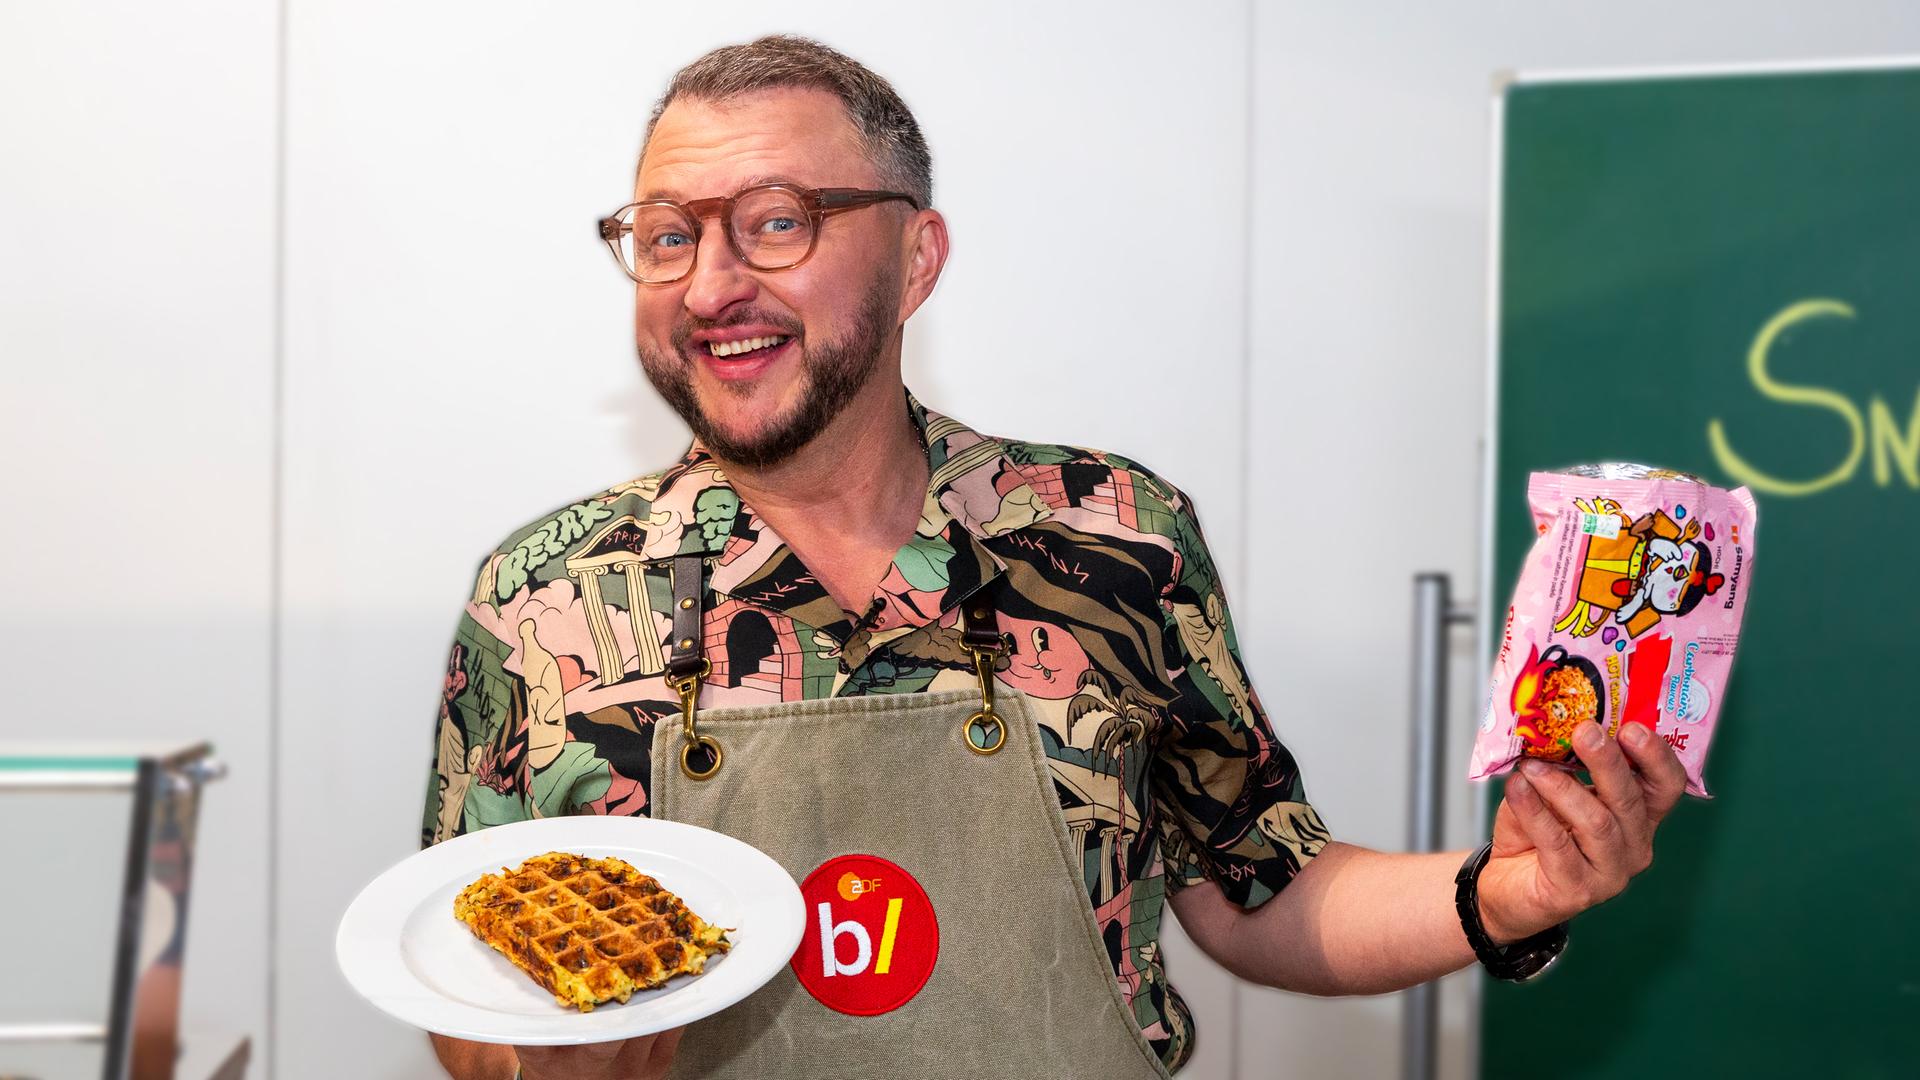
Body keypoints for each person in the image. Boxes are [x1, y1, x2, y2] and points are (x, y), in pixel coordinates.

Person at [423, 35, 1687, 1080]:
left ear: (917, 257)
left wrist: (1506, 894)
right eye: (664, 237)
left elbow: (1265, 890)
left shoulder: (1111, 536)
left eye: (774, 223)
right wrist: (535, 1059)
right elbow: (456, 979)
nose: (709, 285)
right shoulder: (545, 598)